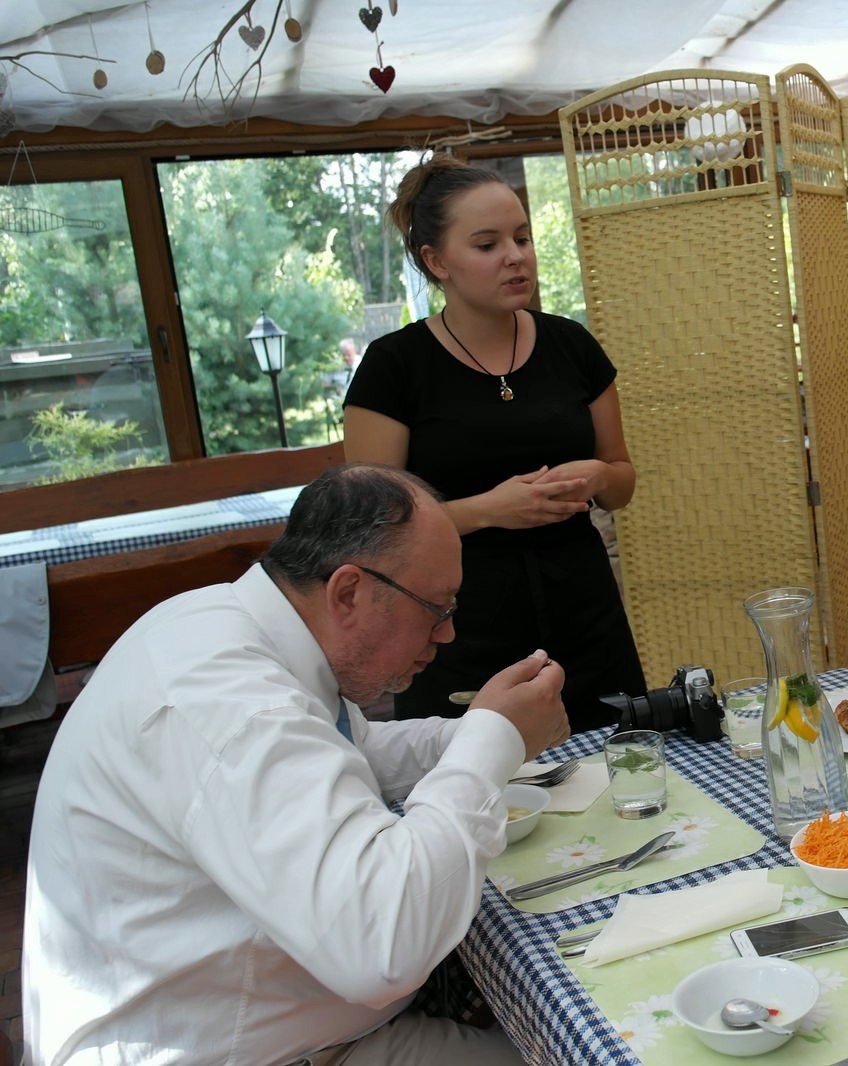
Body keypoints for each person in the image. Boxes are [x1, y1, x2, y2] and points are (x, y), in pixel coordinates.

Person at [23, 463, 571, 1064]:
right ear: (348, 592)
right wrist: (491, 739)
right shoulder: (235, 705)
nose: (447, 635)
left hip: (289, 1021)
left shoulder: (230, 627)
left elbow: (349, 752)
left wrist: (475, 733)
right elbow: (383, 947)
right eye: (435, 608)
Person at [344, 154, 646, 731]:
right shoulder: (394, 367)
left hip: (583, 612)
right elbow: (369, 526)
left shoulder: (572, 346)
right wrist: (490, 510)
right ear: (436, 261)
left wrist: (598, 476)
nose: (515, 256)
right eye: (488, 244)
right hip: (455, 622)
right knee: (479, 771)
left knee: (619, 760)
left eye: (522, 238)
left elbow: (621, 481)